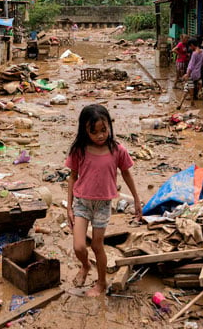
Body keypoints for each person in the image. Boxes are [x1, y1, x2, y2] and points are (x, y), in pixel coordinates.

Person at [65, 104, 142, 297]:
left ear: (109, 126)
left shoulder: (117, 150)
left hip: (103, 205)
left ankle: (101, 283)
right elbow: (73, 177)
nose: (100, 135)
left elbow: (126, 175)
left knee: (97, 246)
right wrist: (69, 207)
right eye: (94, 132)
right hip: (82, 203)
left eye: (104, 130)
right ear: (85, 130)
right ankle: (85, 265)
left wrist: (137, 200)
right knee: (79, 246)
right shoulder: (79, 150)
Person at [183, 37, 203, 107]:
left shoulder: (194, 53)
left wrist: (187, 74)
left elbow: (191, 65)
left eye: (190, 46)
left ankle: (192, 101)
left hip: (192, 73)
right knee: (188, 86)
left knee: (189, 87)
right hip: (197, 73)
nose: (190, 47)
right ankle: (199, 85)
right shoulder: (202, 51)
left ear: (192, 45)